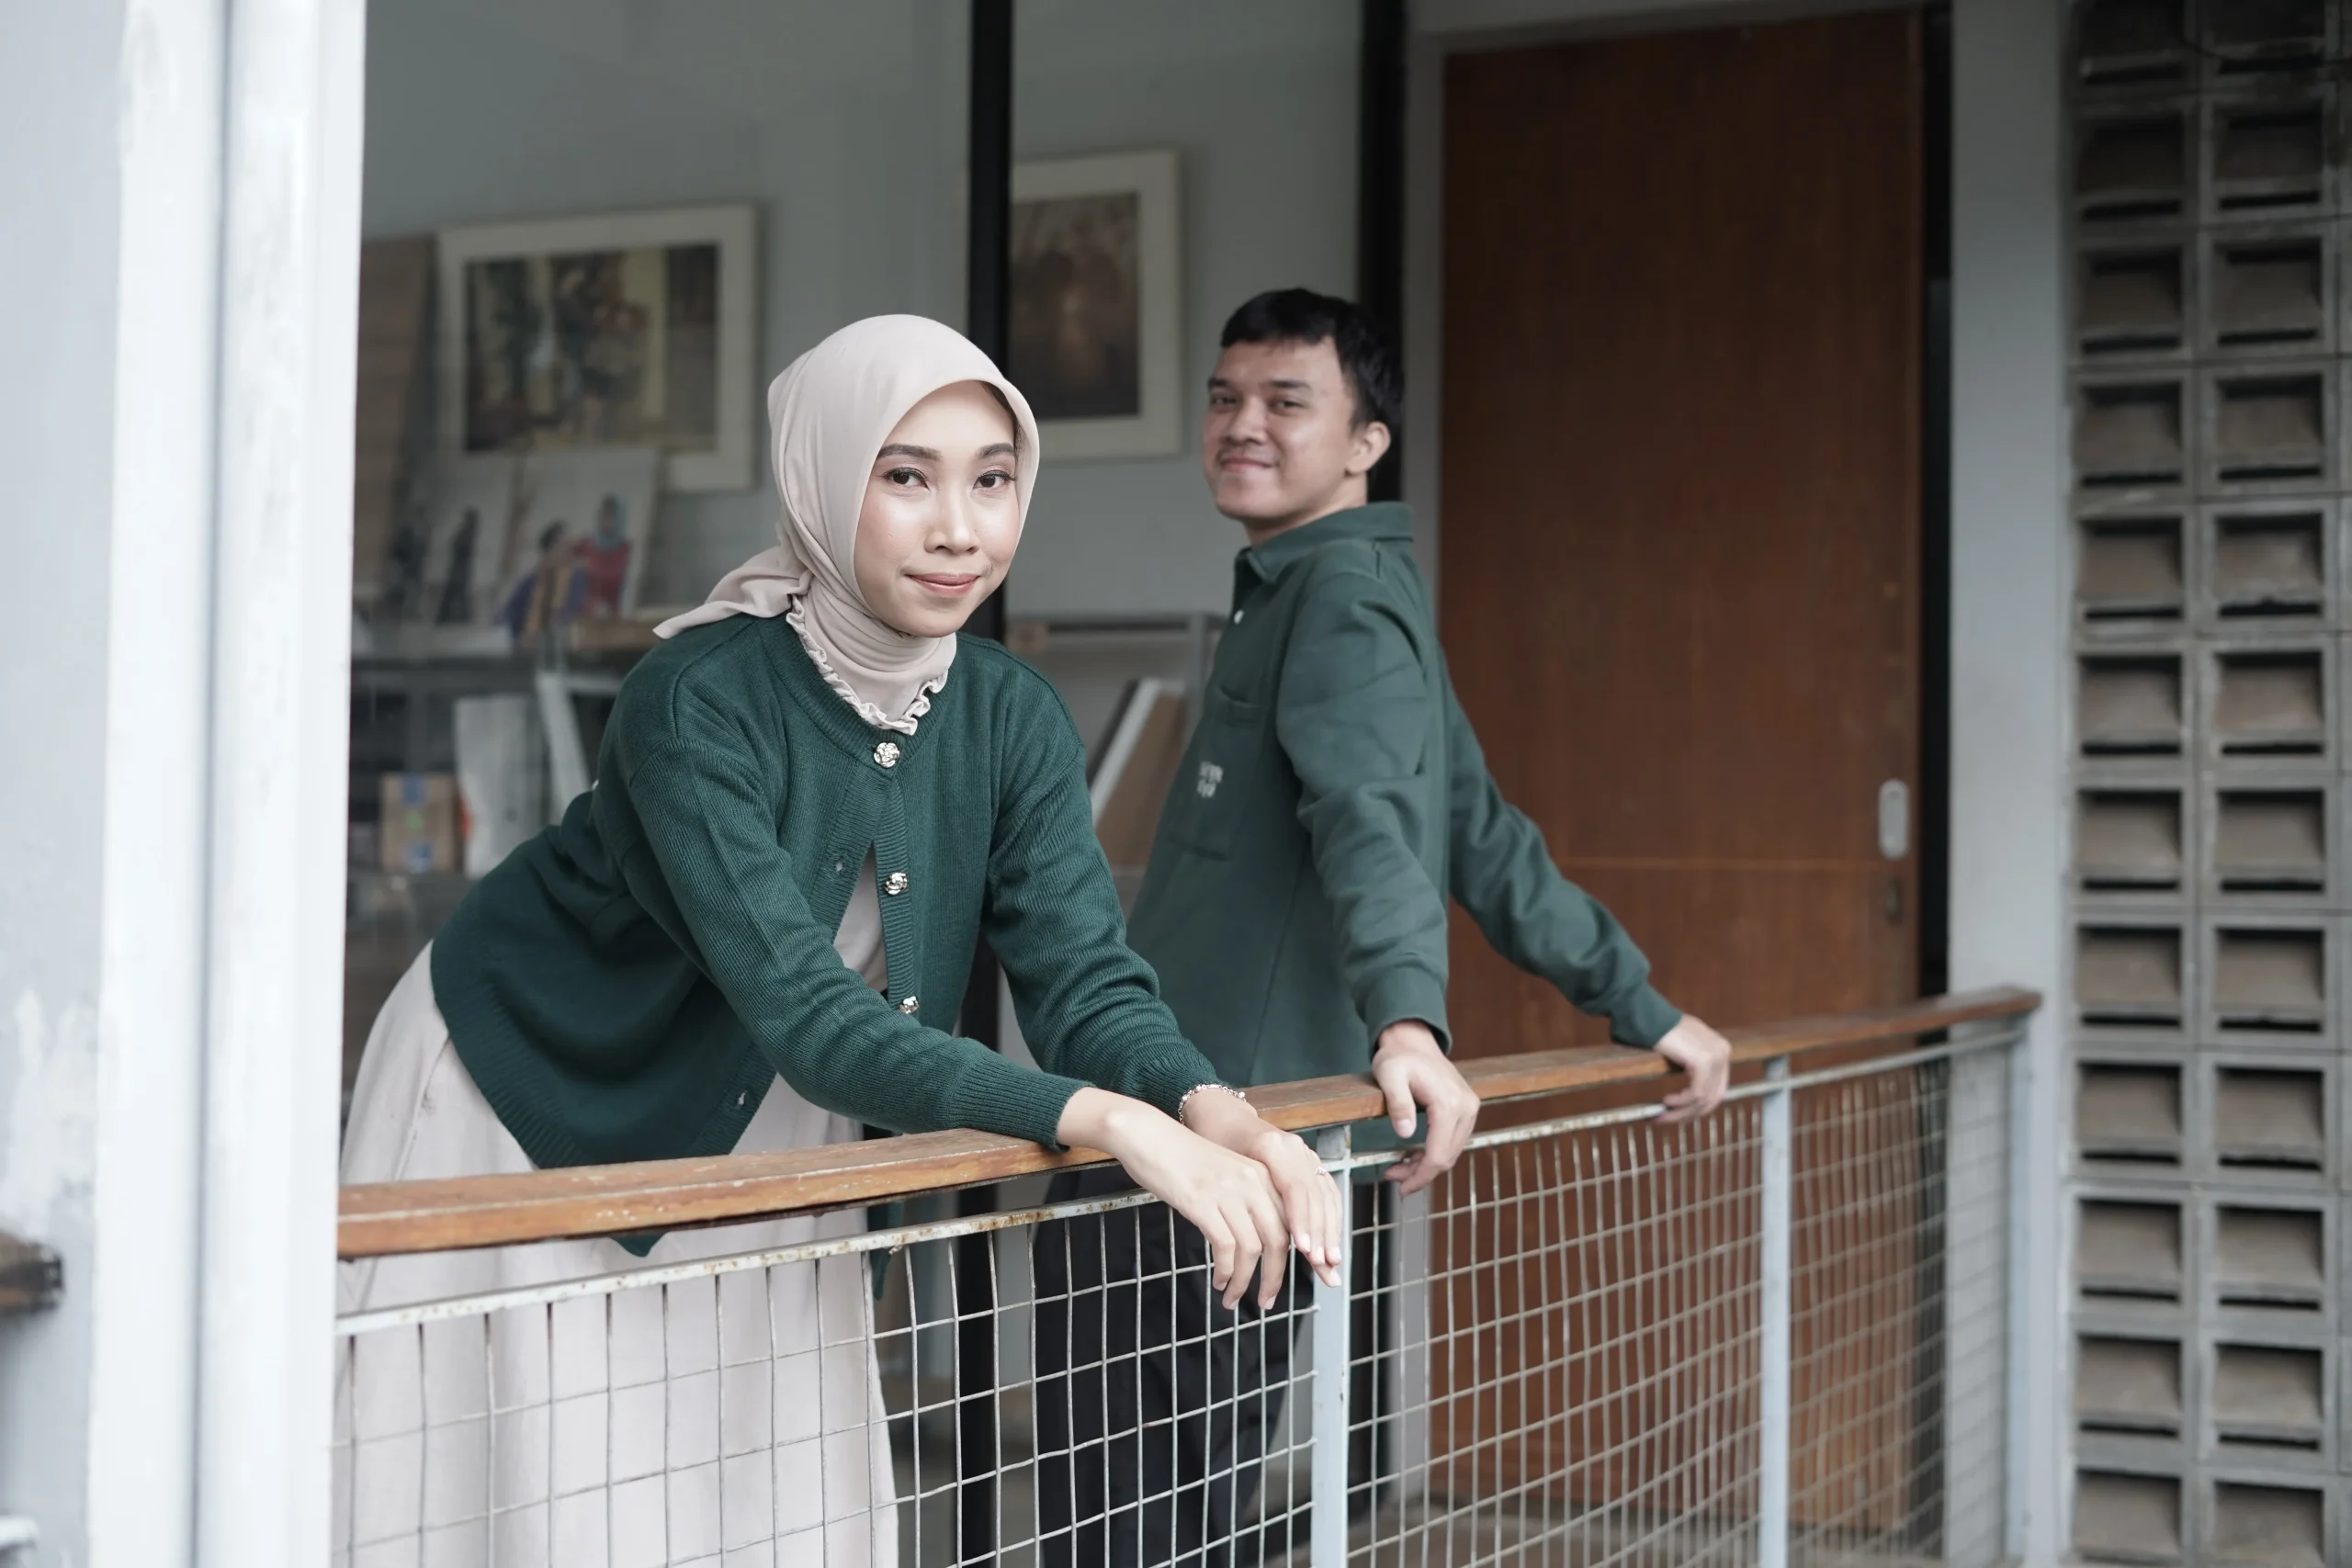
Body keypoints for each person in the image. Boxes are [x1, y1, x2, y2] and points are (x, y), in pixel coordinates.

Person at [336, 314, 1344, 1566]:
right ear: (820, 479)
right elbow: (813, 1018)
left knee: (752, 1493)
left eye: (992, 480)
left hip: (773, 1109)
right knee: (539, 1493)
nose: (959, 529)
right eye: (906, 476)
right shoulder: (694, 698)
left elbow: (1086, 981)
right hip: (536, 1091)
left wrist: (1217, 1113)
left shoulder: (1006, 714)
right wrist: (1116, 1126)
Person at [1033, 289, 1736, 1564]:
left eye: (1285, 402)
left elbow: (1376, 824)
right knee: (1170, 1497)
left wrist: (1408, 1020)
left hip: (1215, 1133)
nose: (1242, 425)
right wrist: (1639, 1000)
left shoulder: (1341, 602)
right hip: (1213, 1121)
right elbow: (1479, 830)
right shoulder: (1338, 587)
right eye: (1225, 398)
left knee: (1134, 1510)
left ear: (1367, 441)